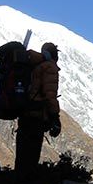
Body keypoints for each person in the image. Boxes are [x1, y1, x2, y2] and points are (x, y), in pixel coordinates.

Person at [15, 42, 62, 175]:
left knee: (22, 151)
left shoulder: (32, 65)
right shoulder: (49, 68)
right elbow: (50, 94)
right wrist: (55, 117)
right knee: (32, 151)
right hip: (38, 115)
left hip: (24, 112)